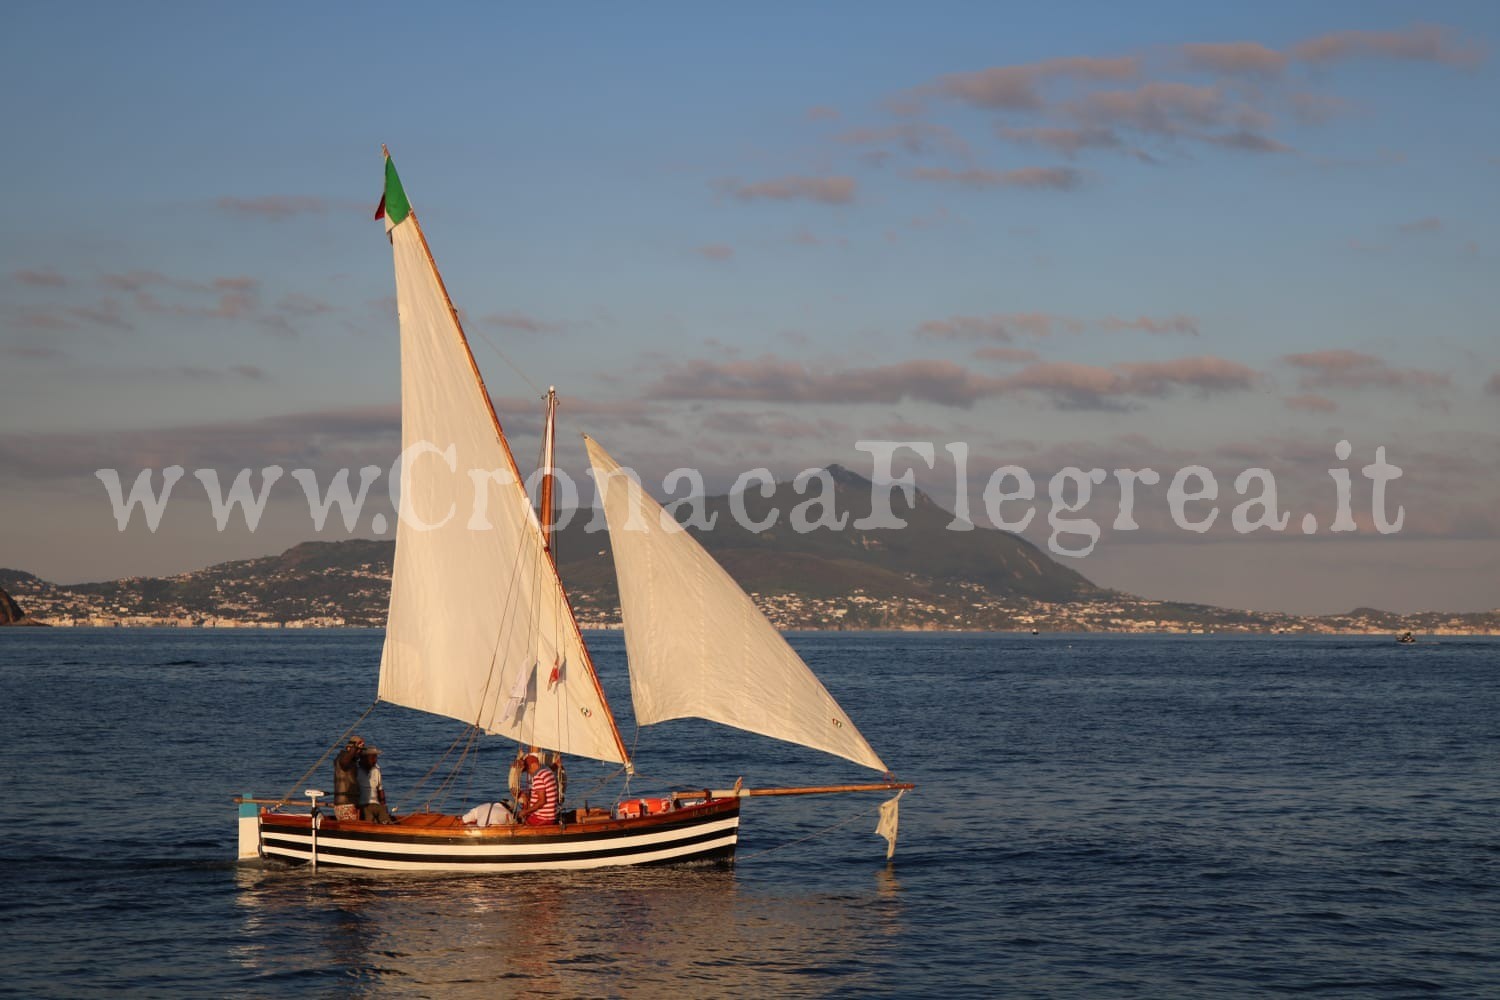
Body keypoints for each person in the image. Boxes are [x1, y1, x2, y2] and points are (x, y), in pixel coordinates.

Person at [357, 746, 395, 824]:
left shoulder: (376, 770)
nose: (375, 760)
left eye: (376, 757)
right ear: (364, 758)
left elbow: (380, 790)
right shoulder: (356, 771)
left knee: (387, 822)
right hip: (363, 806)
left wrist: (384, 805)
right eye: (373, 757)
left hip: (377, 805)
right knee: (370, 822)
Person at [517, 754, 557, 826]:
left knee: (519, 820)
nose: (528, 772)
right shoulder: (548, 772)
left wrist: (525, 812)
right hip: (551, 816)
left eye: (528, 769)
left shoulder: (538, 777)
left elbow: (542, 801)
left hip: (542, 818)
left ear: (533, 765)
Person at [332, 736, 365, 821]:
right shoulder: (343, 759)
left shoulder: (352, 761)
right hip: (345, 805)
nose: (359, 752)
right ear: (349, 748)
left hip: (351, 803)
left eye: (360, 750)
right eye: (357, 749)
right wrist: (355, 747)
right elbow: (344, 762)